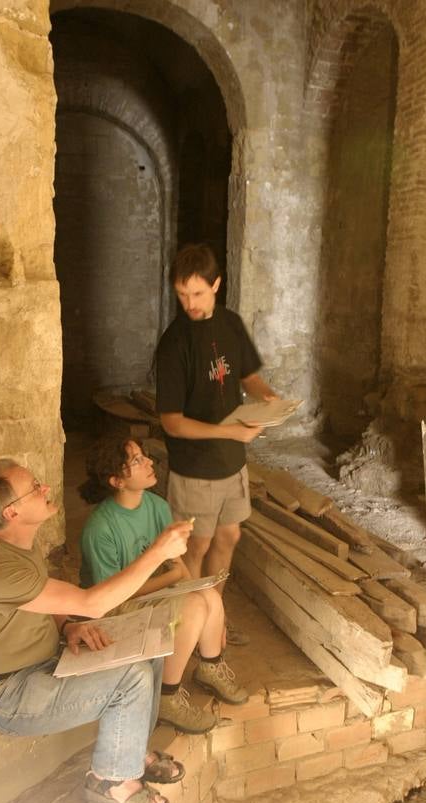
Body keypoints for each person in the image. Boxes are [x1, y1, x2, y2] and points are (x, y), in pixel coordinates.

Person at [0, 457, 192, 803]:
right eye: (34, 488)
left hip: (40, 666)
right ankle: (111, 779)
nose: (45, 488)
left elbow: (42, 600)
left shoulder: (19, 547)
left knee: (150, 645)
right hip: (9, 694)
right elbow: (93, 603)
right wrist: (158, 552)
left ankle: (133, 753)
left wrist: (68, 627)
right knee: (131, 680)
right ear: (12, 512)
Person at [79, 436, 249, 735]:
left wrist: (200, 595)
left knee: (209, 595)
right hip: (115, 607)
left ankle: (210, 665)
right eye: (136, 461)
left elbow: (177, 564)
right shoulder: (100, 527)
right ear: (117, 480)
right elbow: (108, 597)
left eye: (144, 456)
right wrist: (174, 582)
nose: (149, 462)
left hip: (155, 590)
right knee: (195, 606)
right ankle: (166, 697)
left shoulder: (156, 505)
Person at [155, 243, 277, 644]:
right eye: (182, 294)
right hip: (195, 469)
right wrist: (228, 431)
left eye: (198, 293)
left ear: (216, 285)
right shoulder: (174, 344)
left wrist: (267, 397)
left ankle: (214, 618)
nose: (189, 303)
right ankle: (185, 629)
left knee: (228, 538)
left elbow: (247, 375)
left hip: (232, 463)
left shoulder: (230, 324)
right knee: (195, 549)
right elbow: (171, 423)